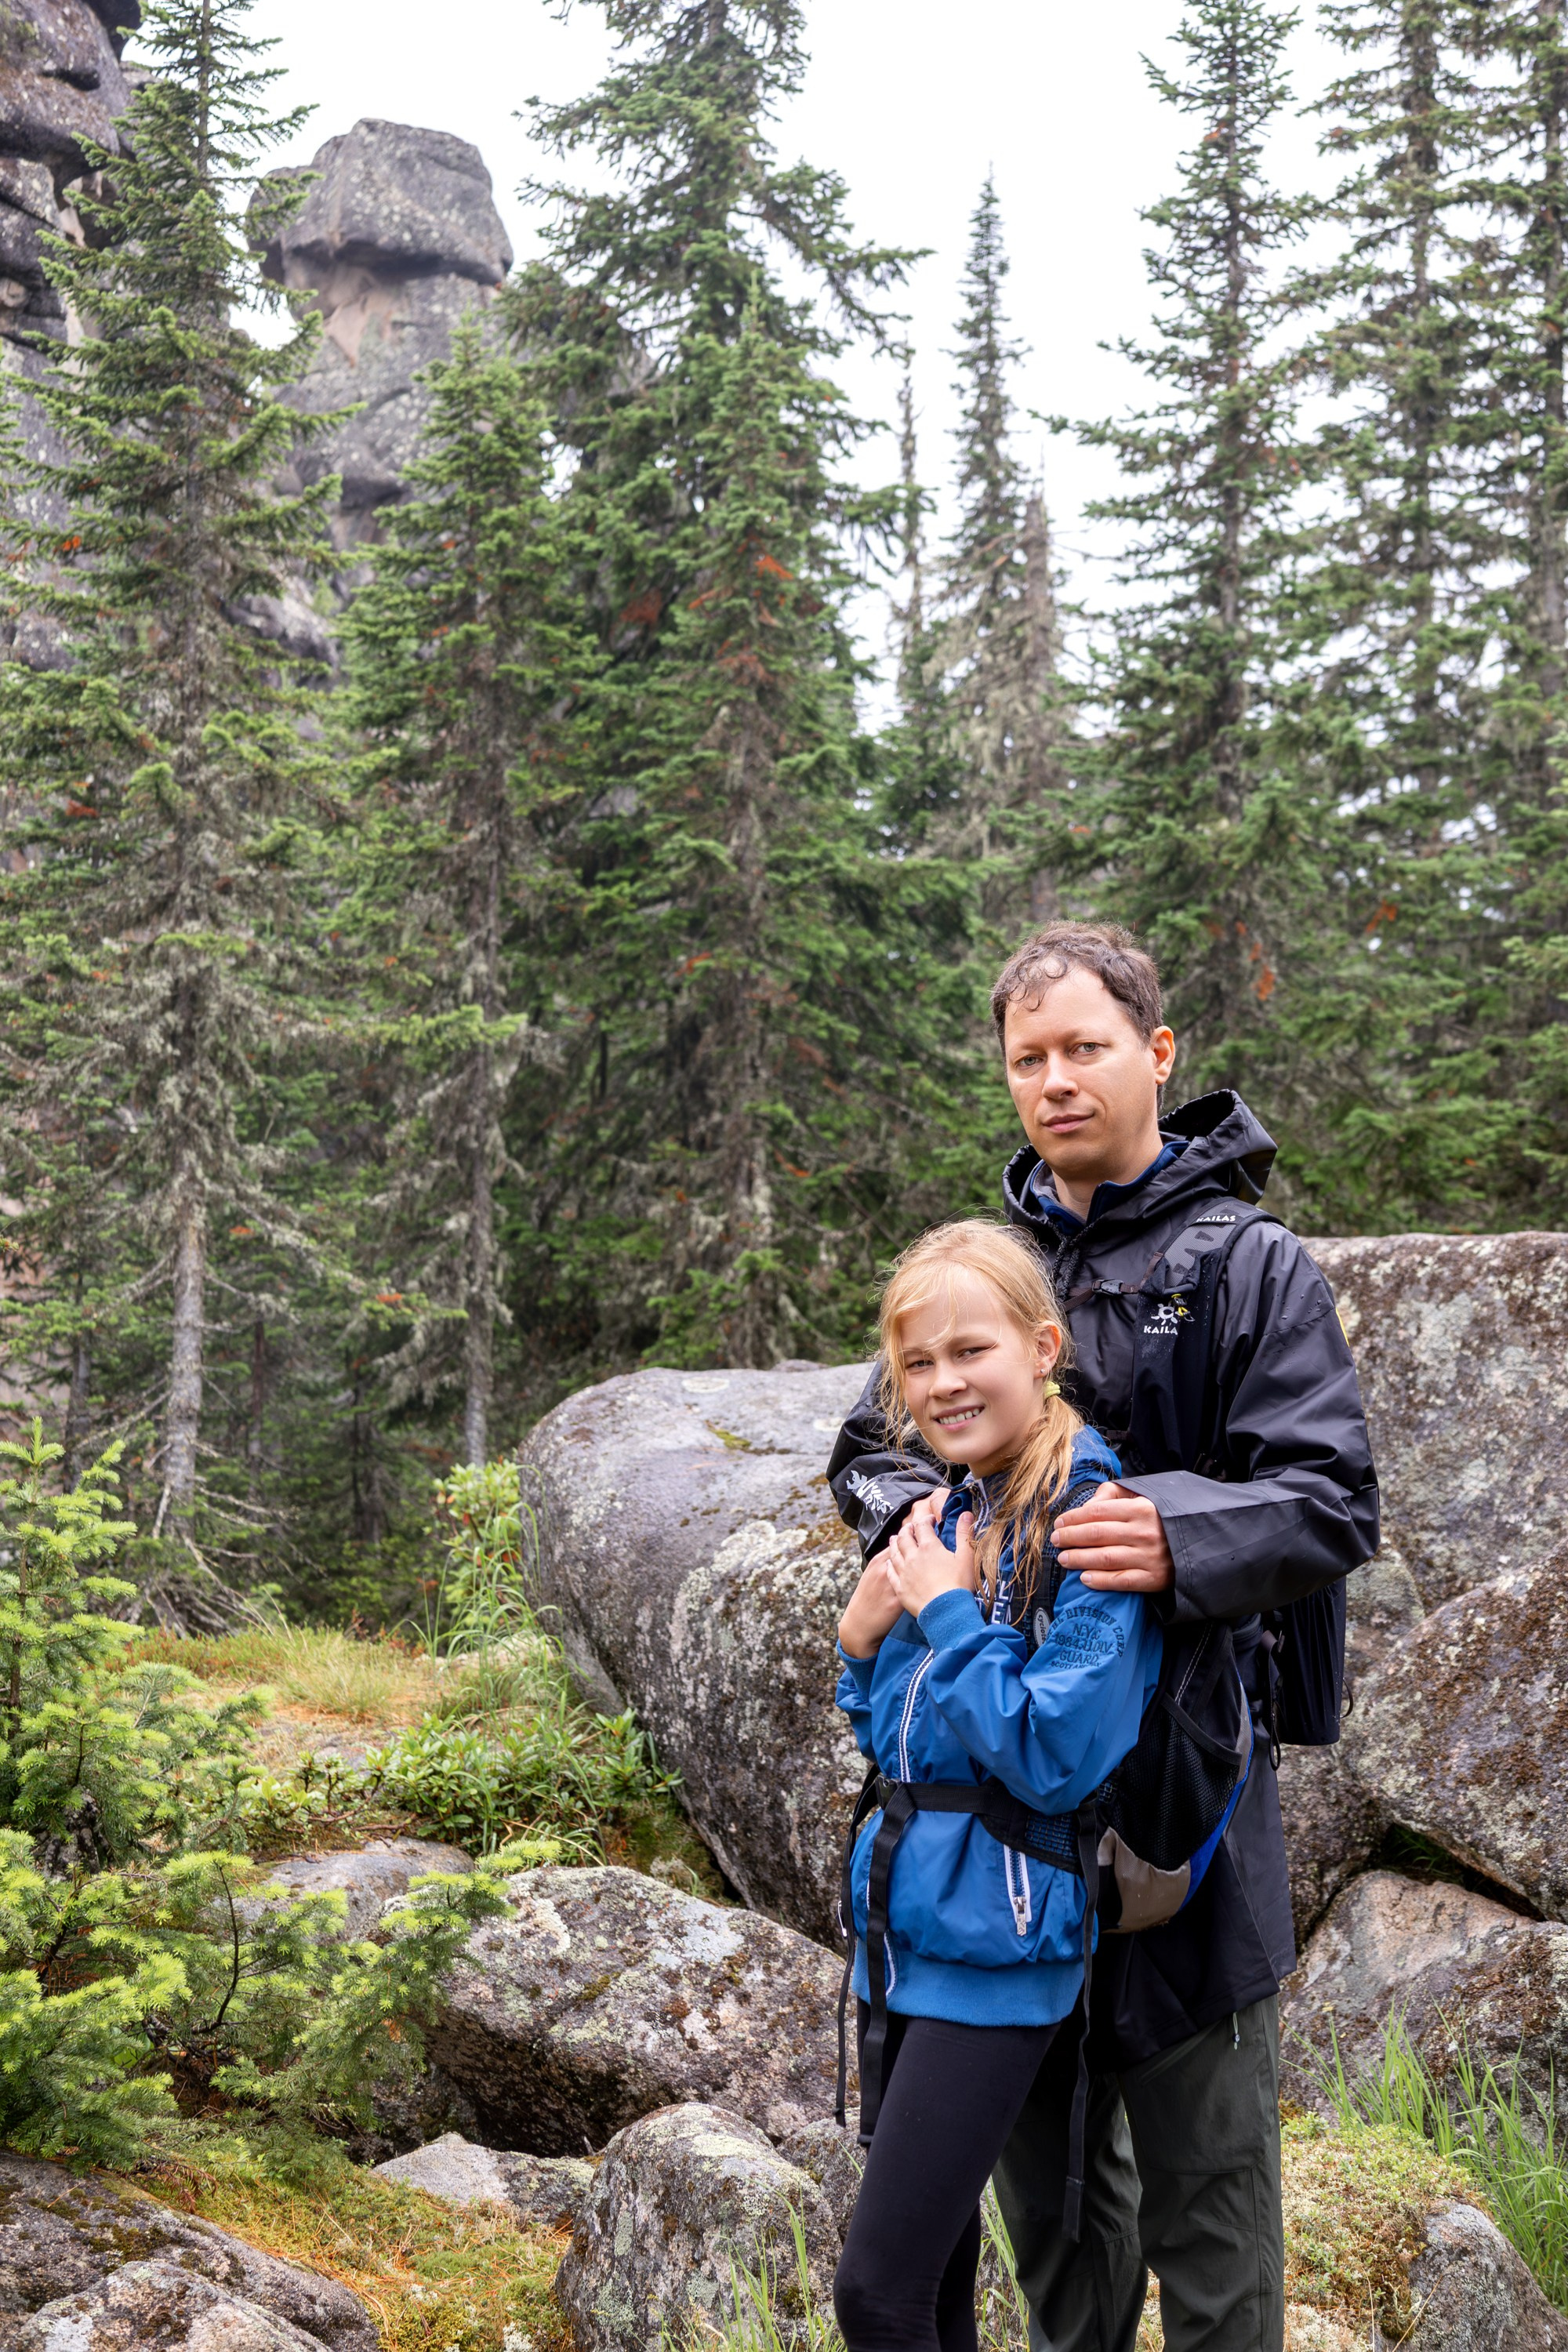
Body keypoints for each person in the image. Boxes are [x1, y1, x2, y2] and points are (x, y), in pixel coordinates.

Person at [828, 923, 1380, 2352]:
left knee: (1210, 2212)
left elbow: (1331, 1497)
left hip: (1182, 1805)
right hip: (1006, 1830)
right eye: (1029, 1059)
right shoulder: (995, 1267)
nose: (1056, 1081)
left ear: (1158, 1053)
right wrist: (933, 1534)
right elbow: (873, 1445)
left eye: (1085, 1048)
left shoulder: (1249, 1266)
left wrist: (1175, 1535)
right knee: (1059, 2225)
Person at [833, 1218, 1163, 2352]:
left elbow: (1054, 1753)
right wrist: (861, 1642)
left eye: (971, 1351)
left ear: (1043, 1347)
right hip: (910, 1932)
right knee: (928, 2293)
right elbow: (904, 1744)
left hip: (1000, 1948)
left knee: (876, 2297)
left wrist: (942, 1612)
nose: (943, 1383)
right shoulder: (965, 1506)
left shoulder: (1091, 1522)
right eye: (918, 1363)